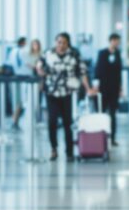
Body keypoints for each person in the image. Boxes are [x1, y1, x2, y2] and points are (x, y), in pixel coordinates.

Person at [36, 32, 96, 161]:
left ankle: (69, 151)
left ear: (68, 43)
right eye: (59, 42)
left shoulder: (74, 54)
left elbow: (83, 72)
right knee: (52, 121)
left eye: (64, 42)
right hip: (51, 92)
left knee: (67, 122)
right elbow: (39, 65)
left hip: (67, 93)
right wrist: (40, 71)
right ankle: (54, 149)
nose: (61, 45)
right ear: (55, 42)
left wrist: (88, 89)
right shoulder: (48, 53)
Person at [94, 33, 123, 146]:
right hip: (102, 88)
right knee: (101, 112)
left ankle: (112, 138)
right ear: (111, 40)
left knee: (113, 114)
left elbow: (119, 72)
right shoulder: (102, 53)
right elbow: (98, 69)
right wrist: (96, 85)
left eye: (118, 41)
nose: (117, 43)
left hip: (114, 88)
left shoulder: (118, 54)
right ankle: (100, 138)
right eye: (116, 41)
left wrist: (120, 87)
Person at [7, 37, 29, 129]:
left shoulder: (12, 51)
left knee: (16, 100)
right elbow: (26, 64)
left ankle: (14, 120)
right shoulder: (22, 51)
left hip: (13, 77)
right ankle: (15, 121)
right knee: (19, 101)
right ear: (23, 43)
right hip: (21, 77)